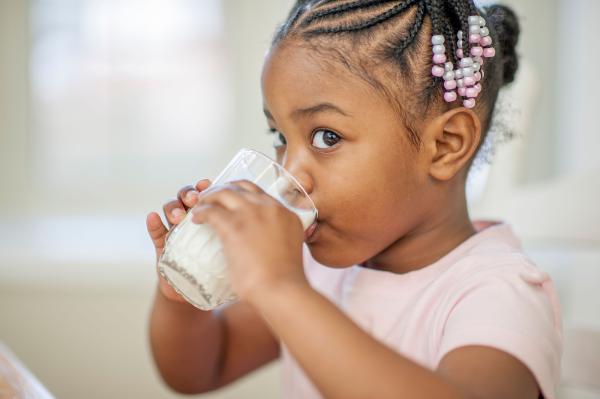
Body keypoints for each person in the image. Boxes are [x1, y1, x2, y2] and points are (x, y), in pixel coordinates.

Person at [146, 1, 562, 398]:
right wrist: (182, 298)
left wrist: (281, 288)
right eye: (279, 138)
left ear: (445, 145)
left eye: (326, 137)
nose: (291, 174)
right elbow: (203, 368)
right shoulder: (312, 271)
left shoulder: (496, 292)